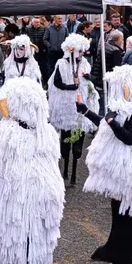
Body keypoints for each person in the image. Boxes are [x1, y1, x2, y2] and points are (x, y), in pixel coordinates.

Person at [0, 77, 65, 264]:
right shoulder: (48, 133)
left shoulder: (5, 131)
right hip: (37, 208)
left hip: (8, 210)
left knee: (4, 260)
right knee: (29, 260)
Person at [78, 65, 132, 264]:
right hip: (118, 177)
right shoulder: (122, 107)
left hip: (127, 175)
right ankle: (116, 247)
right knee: (119, 213)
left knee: (130, 219)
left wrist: (112, 122)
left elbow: (129, 137)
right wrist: (86, 111)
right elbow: (105, 124)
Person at [48, 34, 99, 186]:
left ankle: (75, 169)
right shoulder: (61, 64)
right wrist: (69, 87)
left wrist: (89, 77)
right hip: (65, 107)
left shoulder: (84, 64)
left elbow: (92, 81)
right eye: (79, 51)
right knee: (65, 137)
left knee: (78, 141)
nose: (82, 54)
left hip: (80, 105)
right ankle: (64, 170)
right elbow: (55, 82)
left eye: (83, 51)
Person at [25, 17, 48, 86]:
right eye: (36, 22)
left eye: (39, 22)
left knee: (43, 67)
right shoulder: (28, 29)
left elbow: (45, 39)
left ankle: (44, 81)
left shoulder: (44, 29)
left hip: (42, 51)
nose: (38, 24)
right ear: (32, 23)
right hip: (32, 51)